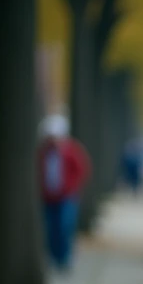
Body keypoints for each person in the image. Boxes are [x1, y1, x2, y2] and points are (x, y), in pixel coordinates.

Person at [36, 114, 91, 272]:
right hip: (48, 197)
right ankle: (53, 258)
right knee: (50, 228)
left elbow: (81, 170)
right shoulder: (43, 153)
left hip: (66, 197)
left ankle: (65, 258)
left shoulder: (71, 151)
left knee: (65, 226)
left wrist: (71, 187)